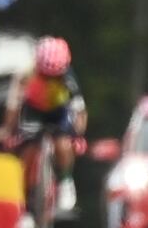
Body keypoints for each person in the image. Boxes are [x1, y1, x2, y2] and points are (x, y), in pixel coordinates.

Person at [7, 36, 88, 214]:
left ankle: (65, 181)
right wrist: (11, 132)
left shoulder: (69, 79)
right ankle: (24, 200)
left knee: (63, 144)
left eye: (56, 75)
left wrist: (77, 135)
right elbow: (13, 107)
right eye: (45, 75)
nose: (50, 78)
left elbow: (80, 112)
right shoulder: (25, 75)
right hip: (33, 110)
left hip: (58, 112)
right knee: (28, 151)